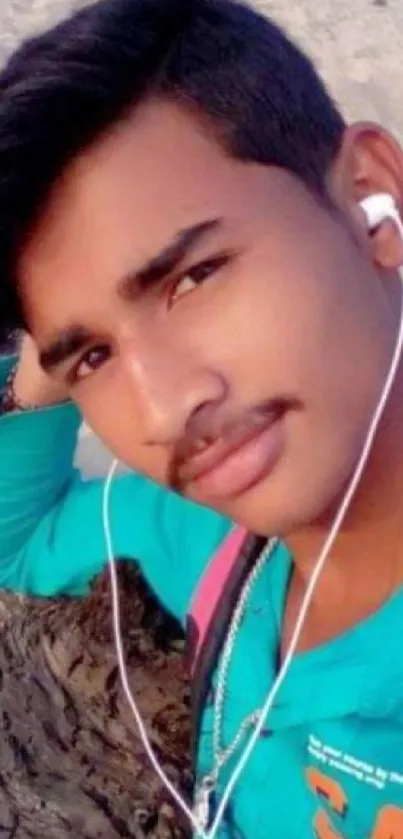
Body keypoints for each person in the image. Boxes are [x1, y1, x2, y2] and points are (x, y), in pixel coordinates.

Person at [1, 0, 403, 836]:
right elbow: (17, 542)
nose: (160, 410)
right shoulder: (217, 538)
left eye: (193, 277)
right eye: (95, 358)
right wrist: (43, 373)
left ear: (369, 196)